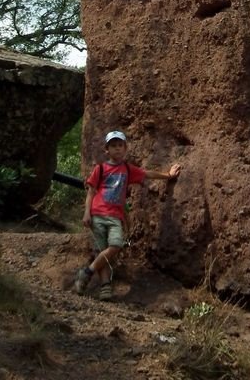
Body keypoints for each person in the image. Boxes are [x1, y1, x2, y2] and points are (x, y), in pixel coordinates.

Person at [75, 129, 181, 301]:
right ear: (106, 150)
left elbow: (146, 173)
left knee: (116, 245)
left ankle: (87, 272)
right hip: (97, 214)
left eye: (120, 145)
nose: (117, 149)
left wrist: (168, 175)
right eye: (113, 146)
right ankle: (105, 288)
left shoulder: (127, 169)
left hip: (116, 216)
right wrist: (86, 213)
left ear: (125, 149)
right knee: (103, 252)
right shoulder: (100, 169)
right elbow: (91, 192)